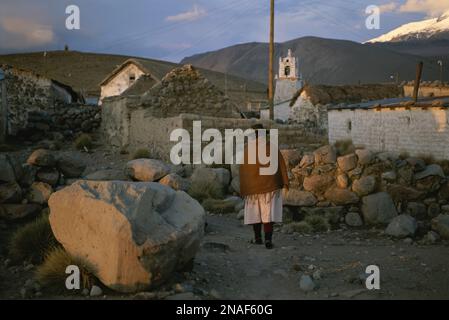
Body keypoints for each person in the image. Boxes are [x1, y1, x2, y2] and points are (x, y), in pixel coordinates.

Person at [239, 124, 289, 249]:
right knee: (268, 214)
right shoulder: (271, 148)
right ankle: (268, 240)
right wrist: (285, 182)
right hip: (270, 186)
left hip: (253, 189)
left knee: (255, 213)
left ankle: (258, 238)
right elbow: (281, 166)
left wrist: (245, 186)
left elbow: (244, 170)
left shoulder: (248, 150)